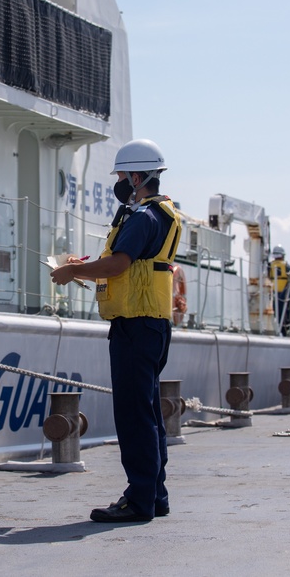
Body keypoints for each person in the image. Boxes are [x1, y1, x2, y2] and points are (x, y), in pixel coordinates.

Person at [50, 138, 181, 523]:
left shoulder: (142, 217)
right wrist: (83, 267)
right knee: (148, 413)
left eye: (123, 176)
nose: (120, 182)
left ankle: (139, 500)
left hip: (136, 328)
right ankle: (154, 495)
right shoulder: (160, 213)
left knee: (133, 415)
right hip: (152, 324)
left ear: (138, 177)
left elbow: (117, 265)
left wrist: (72, 270)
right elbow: (125, 266)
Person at [270, 244, 290, 334]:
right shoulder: (286, 265)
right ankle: (282, 329)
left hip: (271, 292)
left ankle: (274, 327)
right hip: (283, 293)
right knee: (282, 312)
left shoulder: (270, 265)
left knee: (274, 312)